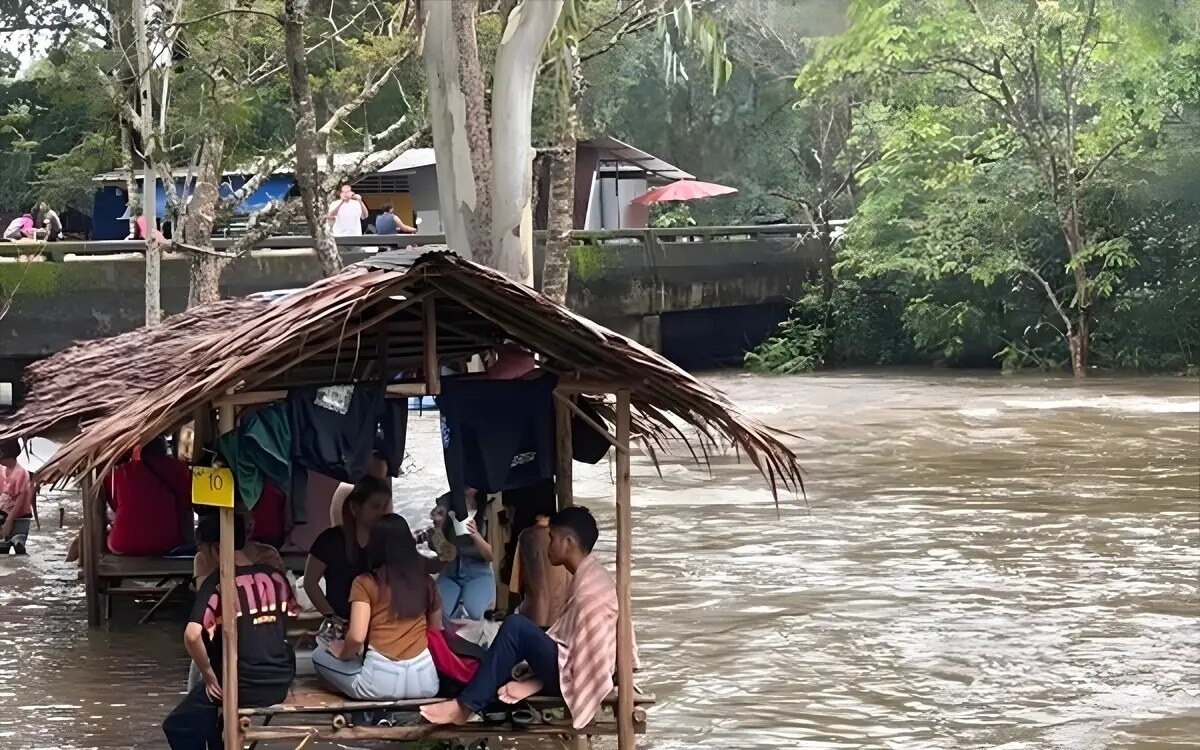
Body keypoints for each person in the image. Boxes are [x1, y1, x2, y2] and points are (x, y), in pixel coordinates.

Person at [421, 507, 621, 730]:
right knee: (512, 639)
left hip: (578, 678)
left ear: (568, 542)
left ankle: (465, 707)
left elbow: (585, 663)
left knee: (516, 627)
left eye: (552, 538)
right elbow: (569, 641)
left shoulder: (589, 594)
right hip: (568, 666)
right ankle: (476, 696)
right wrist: (535, 680)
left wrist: (535, 682)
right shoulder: (591, 576)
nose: (548, 545)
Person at [162, 514, 298, 750]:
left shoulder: (218, 582)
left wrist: (208, 674)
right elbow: (289, 619)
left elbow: (193, 634)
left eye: (204, 550)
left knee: (176, 724)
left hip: (242, 686)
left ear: (216, 548)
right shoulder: (276, 576)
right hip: (280, 683)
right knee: (210, 715)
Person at [312, 514, 445, 700]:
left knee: (319, 655)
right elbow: (436, 629)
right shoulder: (425, 581)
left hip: (380, 683)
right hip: (425, 680)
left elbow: (357, 636)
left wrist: (341, 651)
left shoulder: (365, 582)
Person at [303, 476, 390, 624]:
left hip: (379, 624)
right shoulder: (330, 540)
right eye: (375, 506)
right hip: (342, 623)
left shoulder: (386, 540)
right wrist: (330, 615)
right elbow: (310, 582)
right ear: (355, 507)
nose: (381, 513)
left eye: (384, 507)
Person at [102, 437, 194, 556]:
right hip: (167, 543)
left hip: (123, 543)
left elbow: (115, 504)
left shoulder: (121, 473)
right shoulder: (179, 469)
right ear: (164, 448)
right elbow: (188, 501)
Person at [434, 487, 494, 621]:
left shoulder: (490, 503)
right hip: (450, 571)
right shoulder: (446, 502)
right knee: (440, 614)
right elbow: (437, 549)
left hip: (478, 573)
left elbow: (491, 556)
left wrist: (475, 535)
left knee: (474, 613)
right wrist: (438, 527)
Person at [508, 514, 571, 628]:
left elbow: (515, 587)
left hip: (532, 618)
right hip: (559, 622)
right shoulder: (567, 542)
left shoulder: (525, 537)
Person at [0, 440, 33, 555]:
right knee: (3, 549)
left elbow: (21, 498)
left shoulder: (21, 473)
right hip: (2, 515)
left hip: (20, 516)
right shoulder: (2, 470)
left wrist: (10, 520)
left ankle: (22, 571)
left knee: (19, 544)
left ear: (8, 455)